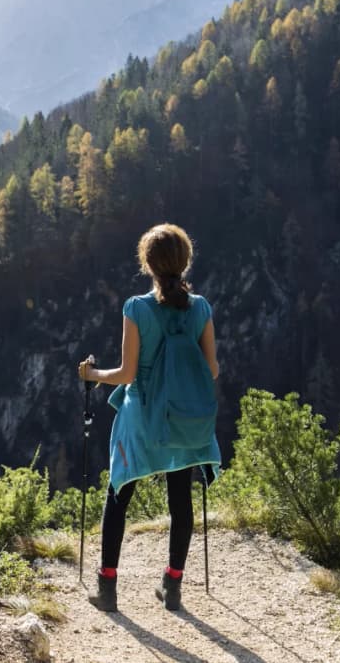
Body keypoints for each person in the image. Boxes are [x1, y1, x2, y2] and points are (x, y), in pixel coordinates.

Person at [78, 223, 221, 612]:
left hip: (142, 415)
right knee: (181, 500)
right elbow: (212, 370)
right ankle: (172, 587)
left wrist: (92, 375)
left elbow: (126, 374)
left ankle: (107, 589)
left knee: (119, 493)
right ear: (185, 262)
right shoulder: (202, 308)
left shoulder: (137, 308)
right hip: (182, 416)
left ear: (148, 264)